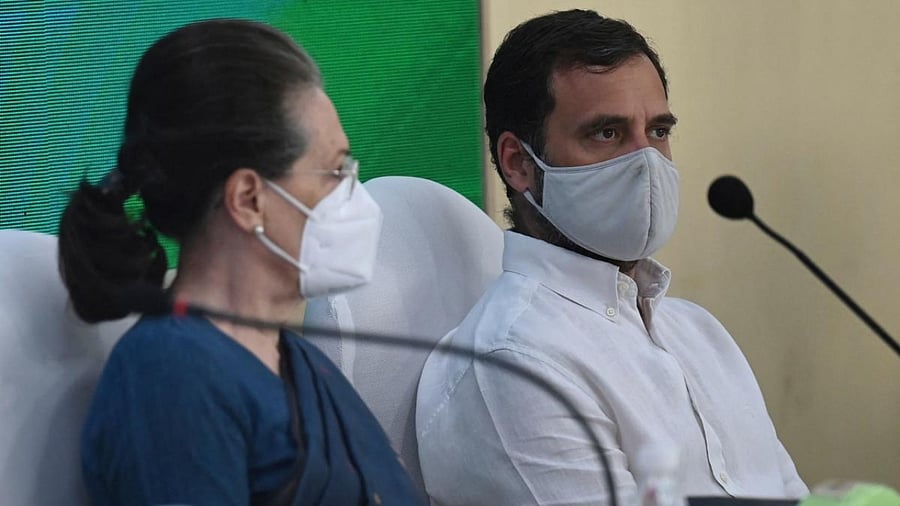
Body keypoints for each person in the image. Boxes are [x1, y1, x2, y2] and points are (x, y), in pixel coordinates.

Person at [416, 9, 808, 506]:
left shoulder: (701, 333)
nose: (646, 161)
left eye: (659, 131)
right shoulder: (513, 362)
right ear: (518, 163)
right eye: (607, 133)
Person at [58, 19, 423, 506]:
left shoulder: (299, 362)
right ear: (249, 199)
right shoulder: (169, 379)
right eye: (335, 171)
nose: (354, 197)